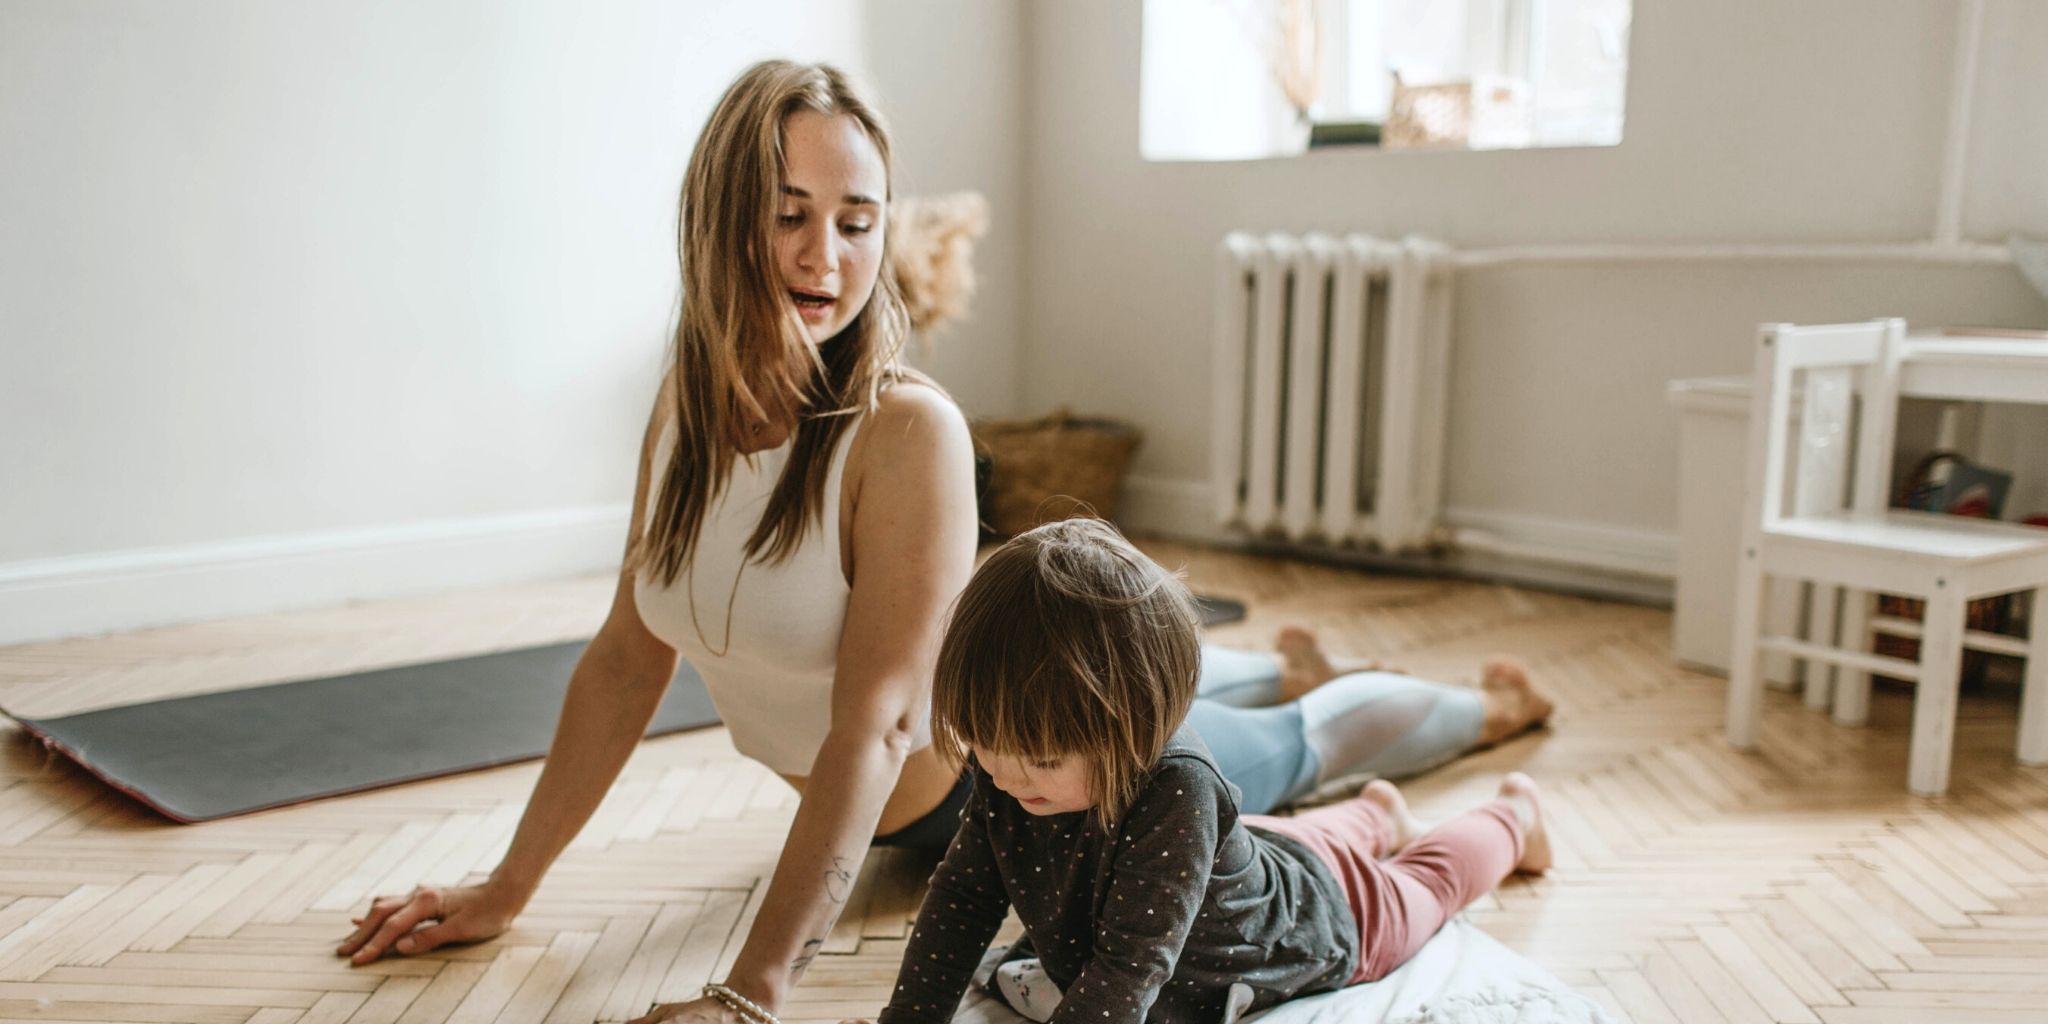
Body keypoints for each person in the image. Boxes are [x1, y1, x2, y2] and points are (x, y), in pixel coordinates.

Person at [333, 60, 1552, 1024]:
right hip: (981, 763)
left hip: (1014, 787)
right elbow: (621, 659)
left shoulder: (904, 432)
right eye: (790, 215)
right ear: (717, 221)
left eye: (857, 222)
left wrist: (751, 990)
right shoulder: (683, 409)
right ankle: (1277, 672)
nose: (828, 256)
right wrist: (506, 889)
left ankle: (1479, 715)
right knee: (1252, 728)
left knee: (1286, 748)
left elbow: (874, 727)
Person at [868, 519, 1551, 1024]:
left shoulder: (1178, 791)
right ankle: (1378, 813)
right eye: (988, 746)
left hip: (1314, 923)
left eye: (1042, 760)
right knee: (1302, 843)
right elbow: (962, 899)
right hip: (1249, 857)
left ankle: (1513, 818)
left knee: (1425, 883)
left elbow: (1129, 970)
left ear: (1134, 728)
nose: (1008, 778)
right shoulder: (1014, 764)